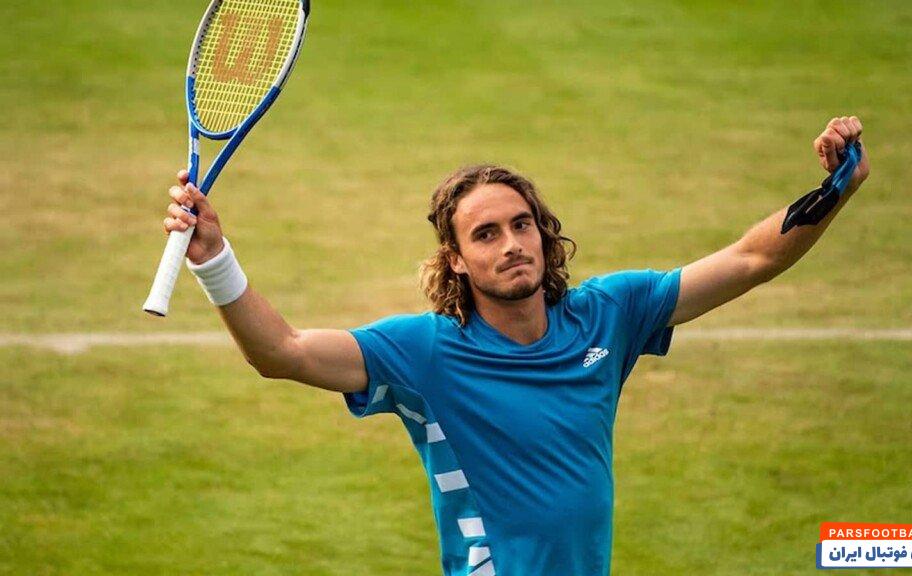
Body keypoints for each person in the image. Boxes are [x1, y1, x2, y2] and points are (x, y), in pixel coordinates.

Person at [162, 117, 869, 575]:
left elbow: (752, 258)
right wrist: (215, 258)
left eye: (521, 224)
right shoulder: (424, 354)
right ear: (456, 260)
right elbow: (282, 352)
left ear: (543, 231)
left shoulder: (609, 315)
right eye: (486, 234)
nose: (511, 244)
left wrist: (837, 185)